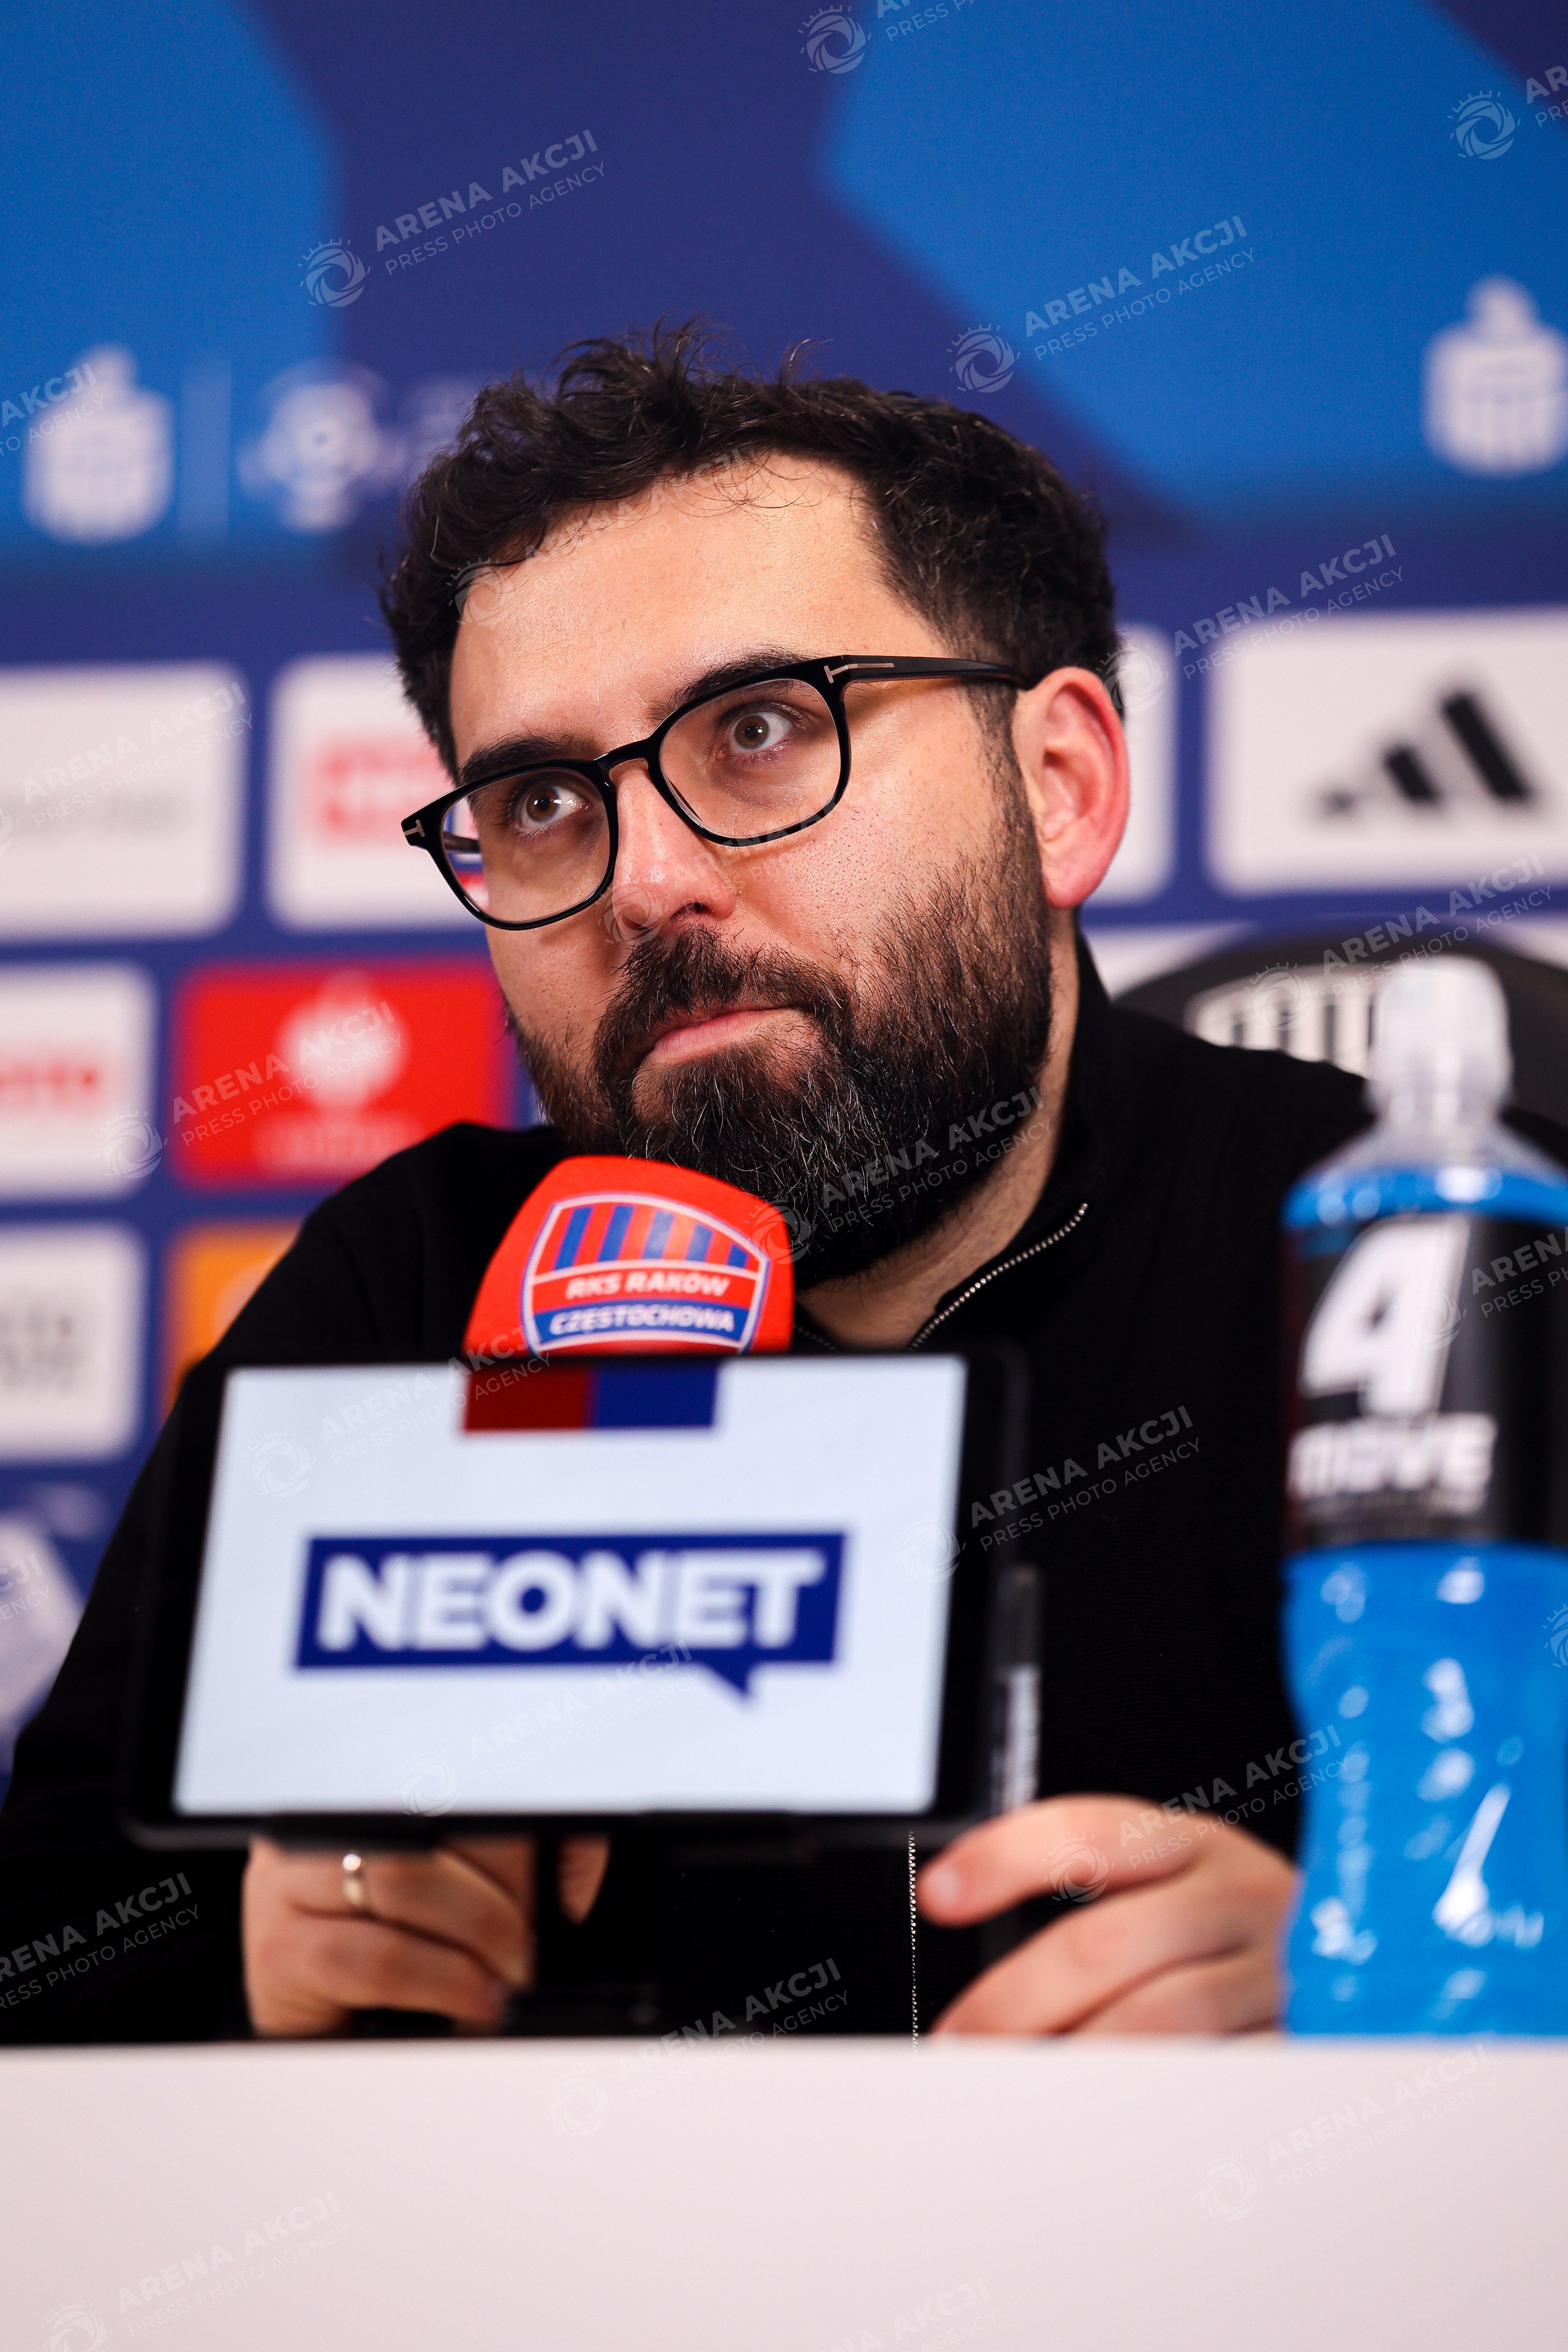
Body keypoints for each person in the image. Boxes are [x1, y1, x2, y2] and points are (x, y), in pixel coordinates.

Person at [3, 329, 1552, 2046]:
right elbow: (53, 1970)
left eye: (758, 730)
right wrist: (260, 1969)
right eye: (540, 800)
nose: (646, 882)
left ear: (1058, 789)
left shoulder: (1432, 1268)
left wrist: (1379, 1981)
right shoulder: (403, 1293)